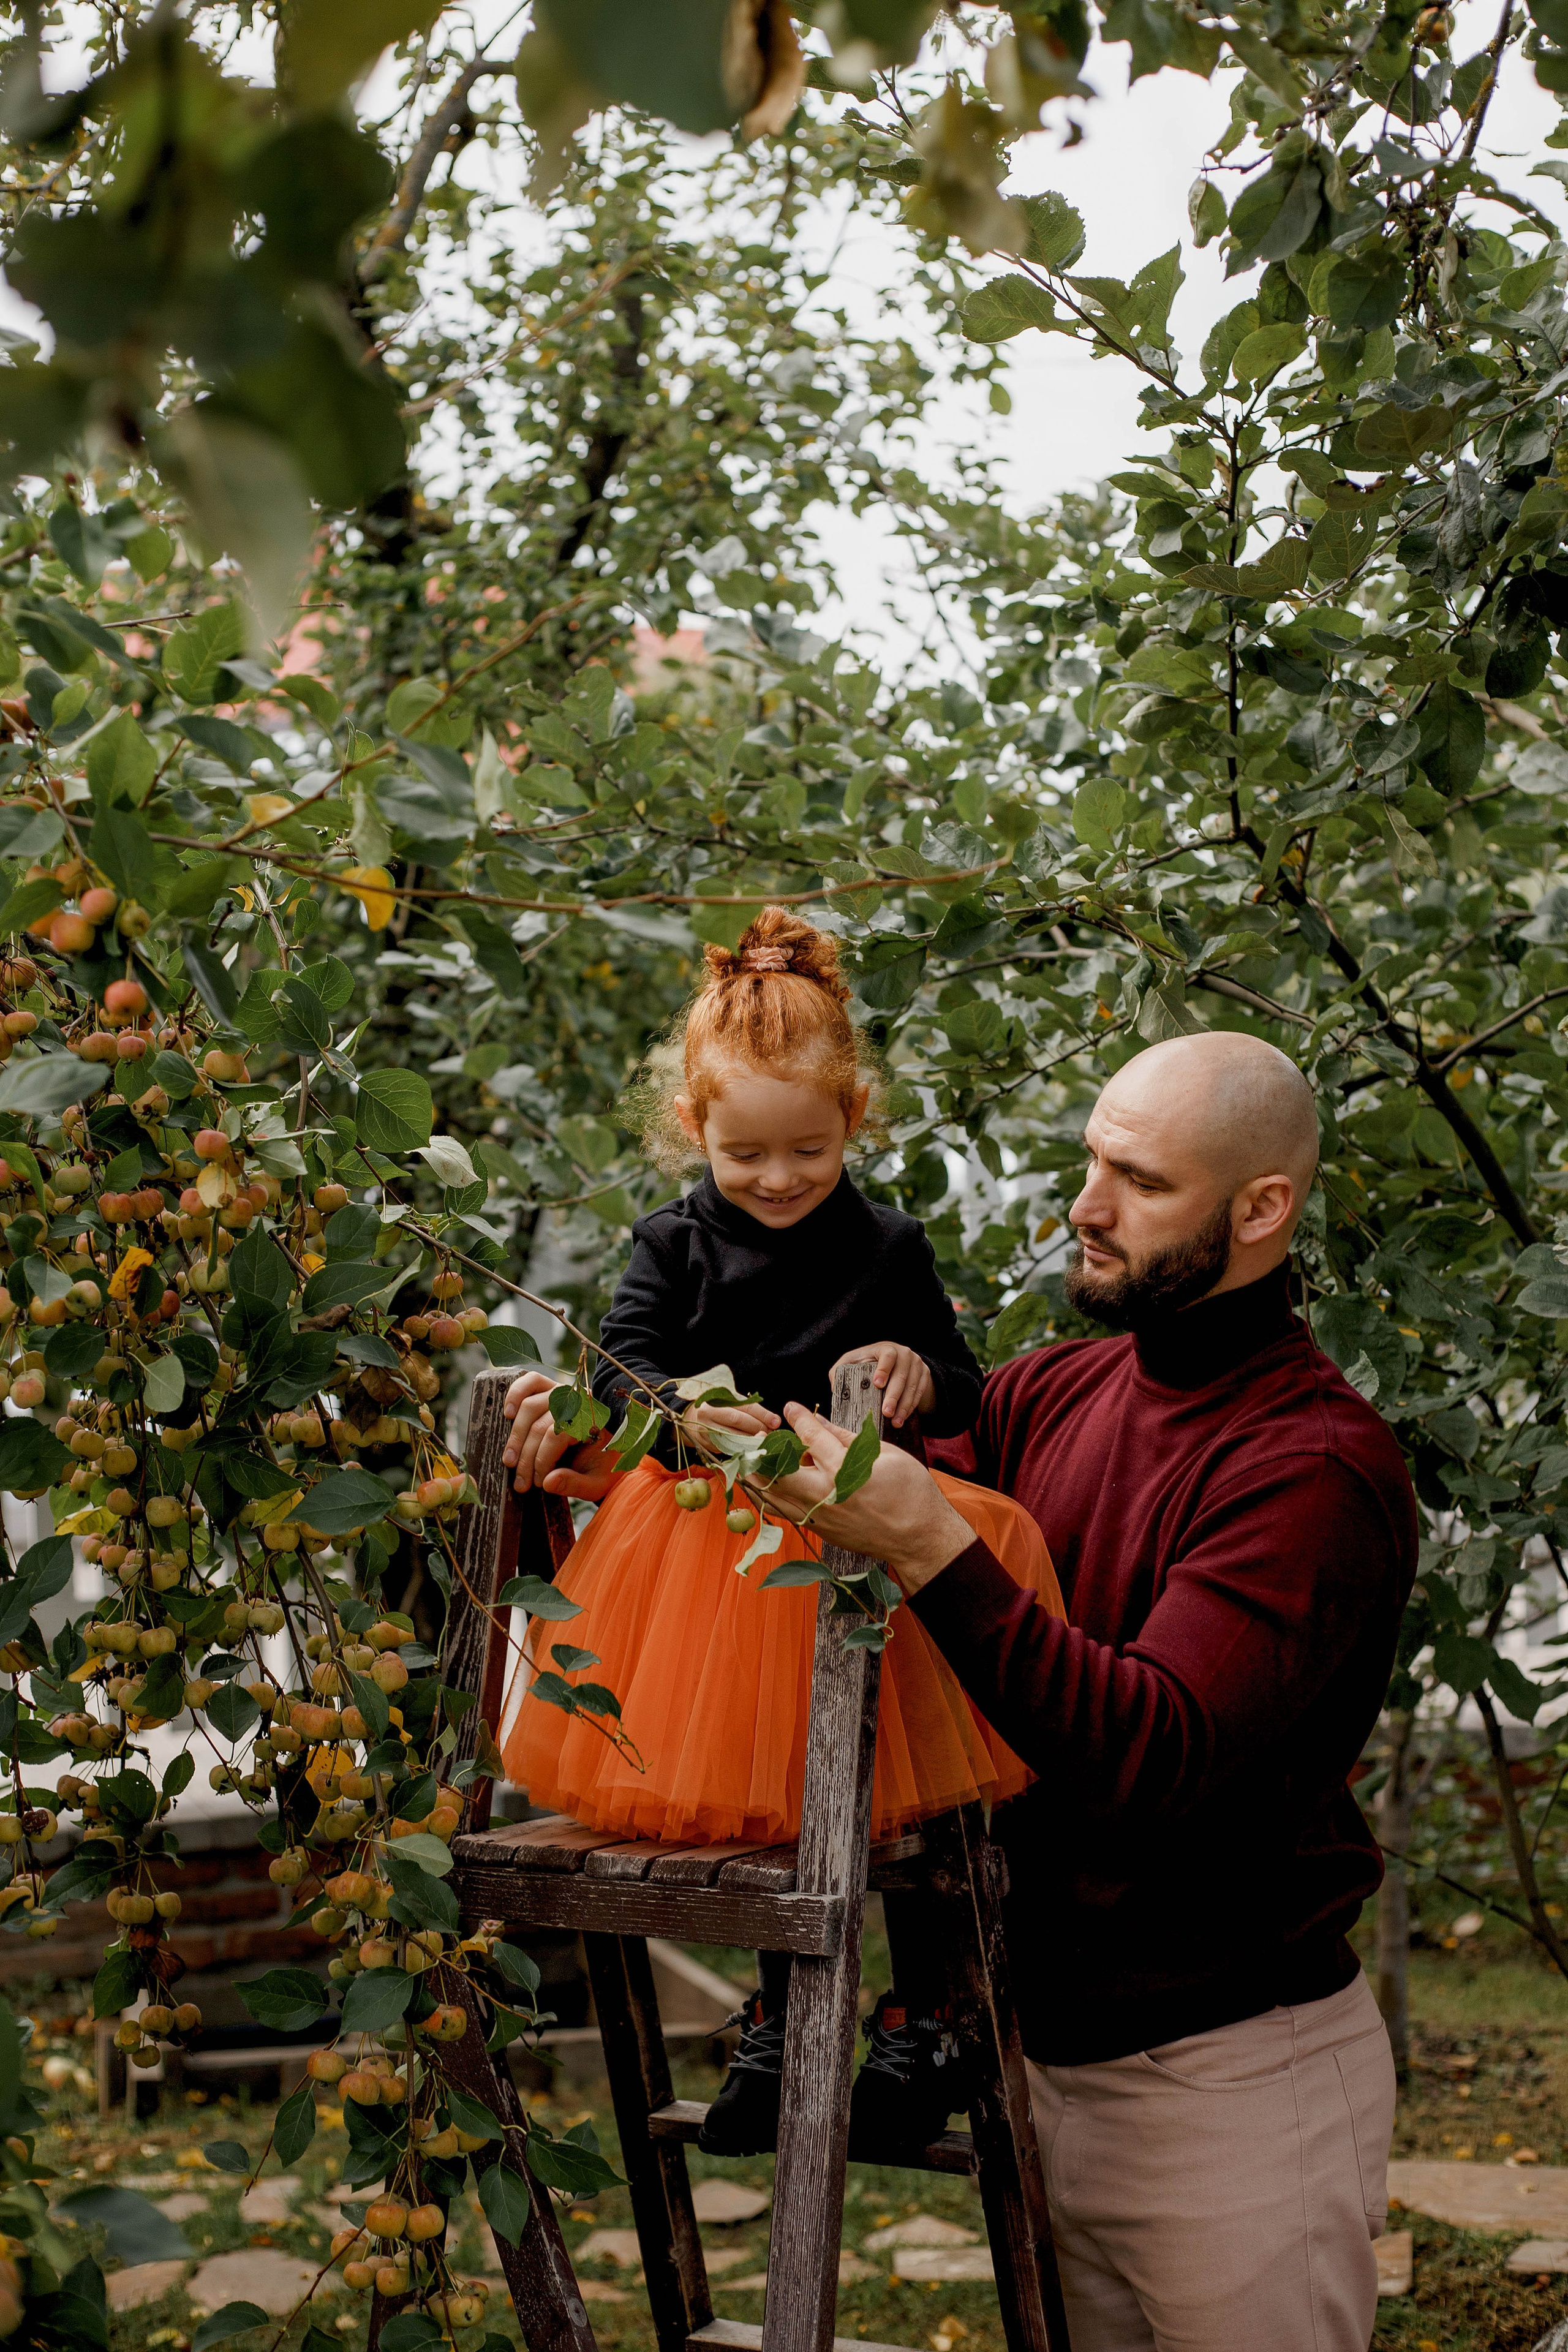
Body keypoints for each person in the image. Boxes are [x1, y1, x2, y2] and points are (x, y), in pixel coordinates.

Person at [761, 1030, 1417, 2352]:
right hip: (1036, 2066)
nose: (1086, 1207)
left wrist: (930, 1544)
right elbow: (834, 1485)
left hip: (1230, 2084)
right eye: (1088, 1161)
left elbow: (1148, 1753)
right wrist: (621, 1452)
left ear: (1259, 1210)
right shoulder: (1058, 1388)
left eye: (1140, 1180)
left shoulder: (1312, 1466)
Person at [498, 905, 1062, 2158]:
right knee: (763, 1799)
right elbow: (626, 1373)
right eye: (743, 1154)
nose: (775, 1179)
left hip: (872, 1547)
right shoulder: (670, 1244)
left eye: (806, 1150)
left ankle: (923, 2017)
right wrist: (693, 1414)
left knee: (903, 1784)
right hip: (724, 1551)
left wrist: (914, 1371)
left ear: (851, 1120)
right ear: (694, 1130)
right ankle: (774, 2014)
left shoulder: (889, 1245)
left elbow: (965, 1389)